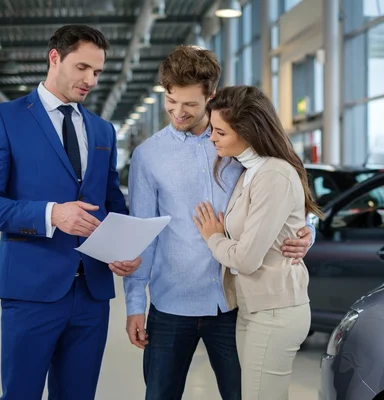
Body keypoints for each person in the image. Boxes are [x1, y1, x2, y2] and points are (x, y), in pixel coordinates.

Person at [124, 45, 315, 400]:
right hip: (171, 305)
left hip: (233, 304)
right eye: (170, 100)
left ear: (211, 96)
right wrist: (135, 304)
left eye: (190, 105)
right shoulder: (148, 156)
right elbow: (143, 232)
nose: (178, 112)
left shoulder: (237, 140)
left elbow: (286, 195)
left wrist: (307, 233)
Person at [0, 25, 141, 400]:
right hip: (31, 289)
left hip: (92, 294)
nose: (90, 80)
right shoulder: (4, 118)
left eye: (97, 72)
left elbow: (111, 201)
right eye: (82, 68)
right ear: (54, 58)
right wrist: (50, 214)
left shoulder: (102, 130)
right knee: (21, 394)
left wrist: (122, 248)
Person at [193, 85, 322, 400]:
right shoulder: (250, 171)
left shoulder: (272, 175)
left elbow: (247, 258)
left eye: (220, 132)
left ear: (247, 131)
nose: (212, 138)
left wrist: (213, 237)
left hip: (275, 310)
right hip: (254, 307)